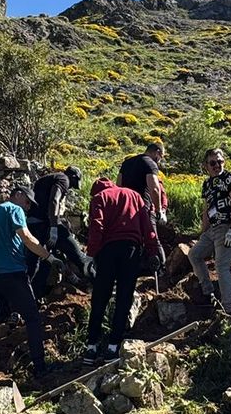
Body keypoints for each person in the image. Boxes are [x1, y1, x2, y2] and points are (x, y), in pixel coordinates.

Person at [0, 183, 52, 385]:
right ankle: (40, 368)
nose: (28, 207)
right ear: (17, 195)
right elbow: (26, 237)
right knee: (32, 318)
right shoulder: (13, 209)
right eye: (27, 202)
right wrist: (48, 256)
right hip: (13, 273)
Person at [85, 176, 164, 362]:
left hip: (108, 251)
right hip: (131, 250)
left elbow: (97, 226)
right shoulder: (134, 195)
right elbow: (147, 225)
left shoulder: (100, 198)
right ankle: (113, 347)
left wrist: (90, 255)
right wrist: (153, 250)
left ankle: (91, 346)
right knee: (124, 296)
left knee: (100, 297)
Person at [187, 147, 231, 313]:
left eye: (220, 161)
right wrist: (202, 233)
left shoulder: (229, 177)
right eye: (213, 162)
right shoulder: (206, 184)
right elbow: (206, 210)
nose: (217, 165)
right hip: (212, 229)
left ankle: (229, 309)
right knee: (194, 254)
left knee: (221, 266)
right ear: (206, 165)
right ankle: (208, 293)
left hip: (227, 226)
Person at [26, 165, 92, 294]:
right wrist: (54, 227)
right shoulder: (63, 179)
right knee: (79, 256)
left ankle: (33, 296)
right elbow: (54, 200)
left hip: (32, 224)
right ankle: (99, 285)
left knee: (41, 261)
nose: (71, 187)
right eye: (74, 184)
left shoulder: (45, 179)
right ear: (73, 177)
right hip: (45, 224)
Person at [118, 141, 168, 224]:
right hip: (143, 209)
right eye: (161, 157)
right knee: (150, 236)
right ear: (157, 152)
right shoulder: (151, 164)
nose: (159, 161)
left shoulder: (126, 163)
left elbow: (118, 186)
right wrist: (159, 211)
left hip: (125, 209)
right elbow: (154, 189)